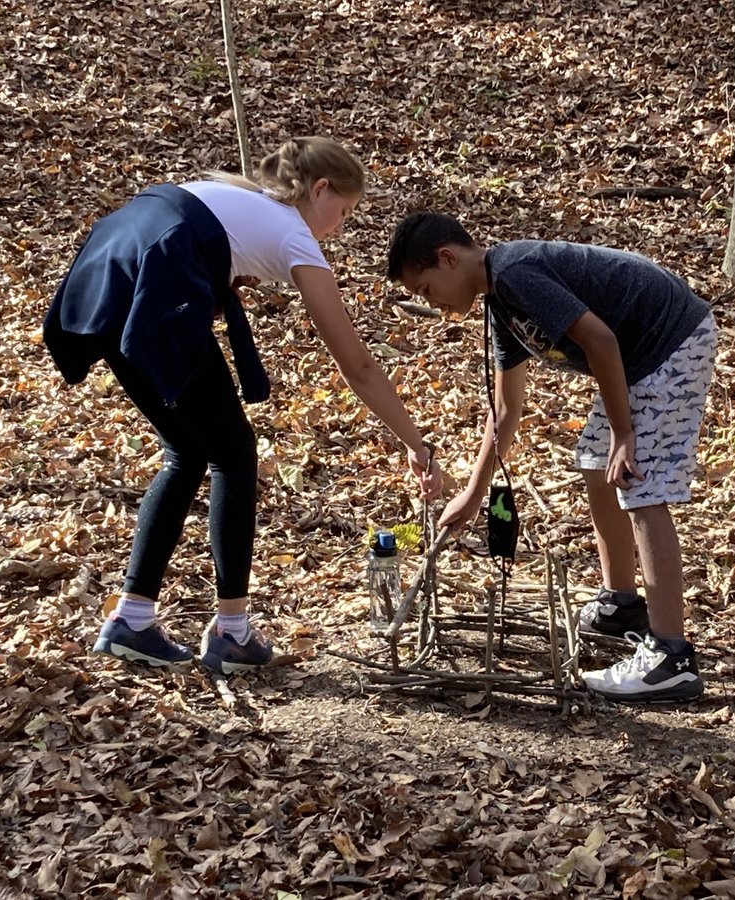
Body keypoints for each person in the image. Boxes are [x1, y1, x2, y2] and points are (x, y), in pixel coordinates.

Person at [44, 137, 442, 675]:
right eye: (343, 211)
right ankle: (232, 631)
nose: (339, 227)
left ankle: (132, 618)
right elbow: (358, 365)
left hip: (103, 275)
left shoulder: (236, 193)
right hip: (152, 288)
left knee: (187, 448)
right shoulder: (292, 233)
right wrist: (415, 442)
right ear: (319, 189)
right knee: (232, 453)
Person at [386, 211, 716, 703]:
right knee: (593, 462)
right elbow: (505, 409)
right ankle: (621, 603)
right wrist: (475, 493)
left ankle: (671, 658)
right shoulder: (500, 306)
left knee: (638, 481)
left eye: (426, 289)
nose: (430, 303)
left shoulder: (516, 273)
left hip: (668, 342)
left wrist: (624, 433)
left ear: (447, 259)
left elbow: (600, 340)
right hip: (634, 359)